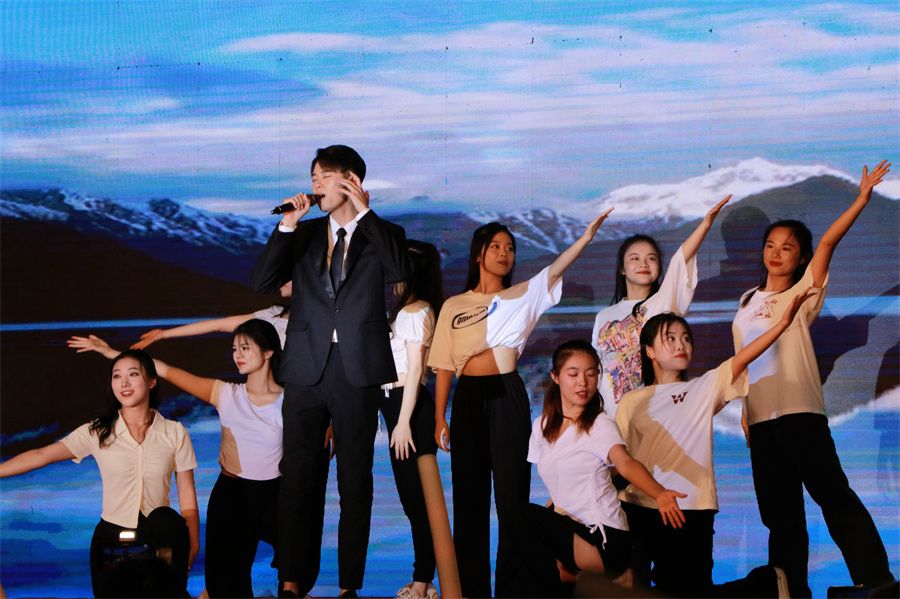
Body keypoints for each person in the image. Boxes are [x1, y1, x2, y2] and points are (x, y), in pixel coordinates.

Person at [250, 144, 411, 598]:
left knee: (354, 482)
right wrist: (287, 225)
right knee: (298, 477)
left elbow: (400, 272)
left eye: (323, 177)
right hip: (305, 366)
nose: (315, 185)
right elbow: (262, 282)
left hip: (357, 368)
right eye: (313, 178)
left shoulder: (383, 233)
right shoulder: (302, 234)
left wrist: (365, 214)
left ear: (351, 180)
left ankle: (348, 586)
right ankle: (291, 580)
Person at [428, 209, 612, 598]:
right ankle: (473, 592)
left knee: (512, 502)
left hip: (506, 395)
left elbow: (558, 267)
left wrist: (586, 237)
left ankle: (512, 590)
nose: (504, 253)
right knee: (469, 501)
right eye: (495, 246)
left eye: (510, 248)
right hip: (467, 398)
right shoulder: (453, 305)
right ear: (478, 253)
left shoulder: (523, 295)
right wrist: (439, 416)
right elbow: (443, 365)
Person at [732, 160, 894, 597]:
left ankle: (876, 580)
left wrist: (861, 198)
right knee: (780, 516)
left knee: (833, 496)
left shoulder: (803, 291)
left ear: (801, 258)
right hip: (761, 420)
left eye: (787, 247)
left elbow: (827, 242)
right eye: (770, 245)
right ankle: (789, 590)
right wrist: (745, 410)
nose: (776, 252)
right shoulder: (747, 300)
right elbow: (743, 362)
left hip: (800, 412)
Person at [69, 319, 286, 597]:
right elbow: (163, 370)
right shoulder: (225, 393)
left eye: (245, 347)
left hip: (275, 492)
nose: (237, 354)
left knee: (294, 564)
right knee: (226, 582)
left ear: (268, 351)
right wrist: (112, 353)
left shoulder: (291, 399)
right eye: (234, 348)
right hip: (233, 493)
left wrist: (331, 428)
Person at [617, 300, 817, 597]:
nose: (681, 345)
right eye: (670, 338)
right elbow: (619, 458)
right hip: (638, 506)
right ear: (649, 351)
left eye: (686, 338)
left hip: (688, 508)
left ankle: (766, 584)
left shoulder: (704, 387)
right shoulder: (632, 400)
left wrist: (782, 324)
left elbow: (744, 357)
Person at [0, 350, 199, 597]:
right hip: (113, 539)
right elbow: (42, 455)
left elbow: (187, 496)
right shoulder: (97, 431)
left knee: (164, 520)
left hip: (160, 537)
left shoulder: (175, 433)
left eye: (133, 374)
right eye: (117, 376)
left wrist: (193, 542)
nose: (124, 383)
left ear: (151, 381)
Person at [508, 340, 686, 598]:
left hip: (603, 536)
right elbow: (561, 479)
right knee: (523, 567)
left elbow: (625, 463)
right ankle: (588, 582)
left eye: (591, 374)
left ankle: (574, 578)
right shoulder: (542, 426)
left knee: (520, 515)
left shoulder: (599, 424)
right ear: (555, 377)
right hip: (571, 529)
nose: (583, 383)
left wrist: (659, 494)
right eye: (573, 374)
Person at [591, 196, 731, 417]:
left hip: (654, 414)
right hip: (610, 417)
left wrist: (705, 224)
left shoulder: (664, 302)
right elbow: (596, 369)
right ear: (622, 269)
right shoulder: (604, 317)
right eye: (635, 258)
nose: (643, 264)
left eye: (651, 258)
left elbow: (680, 260)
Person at [382, 240, 444, 599]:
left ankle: (422, 581)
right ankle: (426, 579)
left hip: (407, 405)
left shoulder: (414, 311)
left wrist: (402, 422)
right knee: (415, 499)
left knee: (416, 500)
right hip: (399, 404)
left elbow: (416, 369)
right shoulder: (411, 310)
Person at [132, 281, 293, 350]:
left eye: (289, 275)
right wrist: (163, 334)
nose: (281, 280)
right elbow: (218, 325)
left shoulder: (309, 322)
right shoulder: (273, 314)